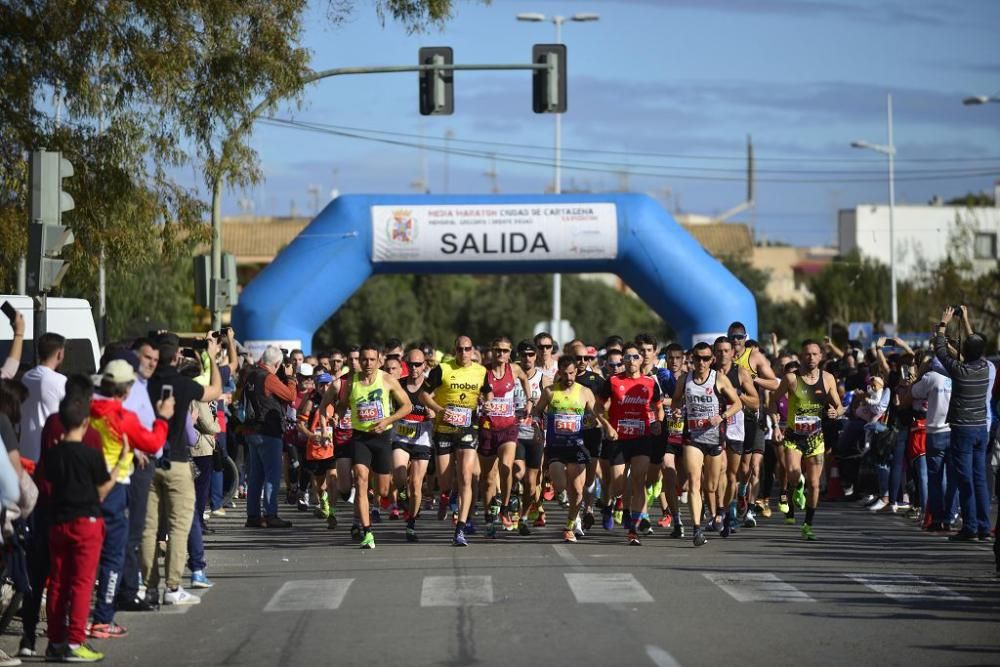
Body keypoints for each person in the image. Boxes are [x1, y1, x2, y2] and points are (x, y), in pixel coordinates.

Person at [87, 358, 173, 639]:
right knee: (113, 556)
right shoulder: (123, 418)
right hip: (113, 489)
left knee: (85, 556)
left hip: (82, 488)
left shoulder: (87, 409)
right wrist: (162, 418)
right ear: (125, 391)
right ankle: (102, 618)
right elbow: (154, 443)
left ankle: (71, 618)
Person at [43, 376, 120, 663]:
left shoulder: (54, 455)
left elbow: (48, 479)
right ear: (85, 421)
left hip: (58, 520)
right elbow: (101, 488)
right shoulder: (90, 452)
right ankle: (75, 641)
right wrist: (117, 469)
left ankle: (55, 640)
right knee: (82, 583)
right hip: (86, 521)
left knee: (59, 583)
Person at [143, 333, 222, 606]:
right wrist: (211, 357)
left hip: (147, 460)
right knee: (180, 525)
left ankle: (150, 586)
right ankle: (173, 587)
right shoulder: (183, 385)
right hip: (176, 460)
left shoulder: (143, 385)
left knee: (150, 528)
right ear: (177, 356)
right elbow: (215, 390)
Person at [332, 342, 411, 549]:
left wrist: (387, 421)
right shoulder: (352, 381)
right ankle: (367, 532)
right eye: (363, 359)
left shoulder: (387, 380)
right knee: (360, 480)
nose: (367, 363)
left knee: (383, 490)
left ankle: (380, 499)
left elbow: (407, 406)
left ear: (379, 360)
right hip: (360, 438)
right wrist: (336, 415)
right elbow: (343, 404)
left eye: (371, 360)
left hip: (382, 438)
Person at [420, 336, 489, 547]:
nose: (464, 353)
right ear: (454, 350)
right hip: (443, 430)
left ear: (472, 350)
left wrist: (486, 403)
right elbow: (424, 394)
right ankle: (444, 495)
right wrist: (440, 410)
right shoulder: (442, 369)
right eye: (460, 349)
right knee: (445, 482)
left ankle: (461, 527)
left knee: (466, 478)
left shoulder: (480, 371)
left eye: (468, 349)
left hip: (467, 429)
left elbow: (487, 393)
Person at [671, 342, 742, 547]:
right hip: (692, 437)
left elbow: (737, 403)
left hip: (714, 439)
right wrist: (677, 410)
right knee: (694, 481)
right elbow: (676, 400)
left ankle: (720, 511)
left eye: (705, 358)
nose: (701, 362)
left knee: (711, 485)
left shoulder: (719, 379)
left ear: (712, 360)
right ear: (691, 359)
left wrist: (722, 416)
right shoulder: (685, 380)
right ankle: (696, 529)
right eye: (697, 358)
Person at [772, 340, 843, 541]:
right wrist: (774, 417)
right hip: (794, 437)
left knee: (814, 484)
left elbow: (839, 406)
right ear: (801, 357)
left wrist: (834, 412)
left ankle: (808, 524)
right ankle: (797, 485)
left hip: (815, 438)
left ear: (820, 356)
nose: (811, 358)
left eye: (814, 354)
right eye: (807, 354)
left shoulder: (828, 379)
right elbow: (774, 400)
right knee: (793, 474)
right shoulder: (791, 379)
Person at [532, 355, 606, 542]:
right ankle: (561, 496)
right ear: (559, 373)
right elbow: (537, 411)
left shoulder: (584, 392)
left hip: (576, 446)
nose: (569, 377)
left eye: (572, 373)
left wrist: (604, 425)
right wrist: (537, 428)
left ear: (575, 372)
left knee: (578, 491)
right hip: (556, 447)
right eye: (565, 373)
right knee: (560, 485)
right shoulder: (550, 391)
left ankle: (570, 526)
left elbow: (595, 413)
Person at [934, 307, 992, 542]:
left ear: (964, 351)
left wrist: (943, 323)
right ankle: (983, 525)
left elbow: (939, 350)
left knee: (965, 477)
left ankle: (969, 526)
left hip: (963, 431)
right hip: (981, 429)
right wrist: (966, 320)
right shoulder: (986, 368)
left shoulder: (960, 371)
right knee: (979, 478)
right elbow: (975, 344)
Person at [114, 338, 164, 612]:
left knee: (135, 529)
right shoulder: (129, 385)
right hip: (134, 464)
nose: (151, 364)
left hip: (143, 462)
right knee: (133, 530)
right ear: (135, 356)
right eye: (147, 358)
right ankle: (128, 591)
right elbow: (120, 419)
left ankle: (128, 588)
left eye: (155, 360)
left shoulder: (142, 385)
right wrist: (134, 447)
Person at [603, 342, 664, 546]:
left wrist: (656, 423)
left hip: (641, 438)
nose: (631, 361)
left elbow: (658, 406)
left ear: (641, 360)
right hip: (618, 439)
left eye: (635, 357)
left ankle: (633, 529)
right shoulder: (612, 381)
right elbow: (596, 406)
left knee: (639, 480)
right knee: (619, 485)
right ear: (623, 360)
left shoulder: (649, 382)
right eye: (627, 358)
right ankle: (622, 505)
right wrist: (606, 425)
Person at [478, 337, 533, 537]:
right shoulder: (483, 372)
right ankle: (488, 516)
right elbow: (475, 392)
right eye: (497, 350)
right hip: (486, 428)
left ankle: (506, 505)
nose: (501, 354)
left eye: (504, 351)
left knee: (506, 467)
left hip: (508, 428)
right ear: (492, 351)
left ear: (510, 353)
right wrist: (481, 401)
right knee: (487, 478)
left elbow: (526, 380)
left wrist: (529, 400)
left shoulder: (515, 370)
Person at [239, 345, 297, 529]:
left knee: (256, 476)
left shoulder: (251, 374)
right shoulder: (268, 378)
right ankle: (271, 514)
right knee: (272, 475)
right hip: (268, 432)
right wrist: (290, 377)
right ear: (278, 363)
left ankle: (253, 515)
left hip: (251, 431)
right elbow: (290, 396)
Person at [391, 348, 434, 542]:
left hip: (422, 439)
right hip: (401, 437)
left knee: (416, 485)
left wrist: (433, 414)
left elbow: (439, 410)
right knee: (400, 476)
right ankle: (401, 493)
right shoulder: (398, 385)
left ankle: (411, 523)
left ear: (424, 365)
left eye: (418, 364)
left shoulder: (430, 386)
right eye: (411, 364)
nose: (415, 368)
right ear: (405, 365)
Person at [512, 339, 549, 534]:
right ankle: (511, 497)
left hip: (535, 434)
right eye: (524, 354)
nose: (527, 358)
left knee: (531, 483)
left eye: (531, 354)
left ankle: (524, 517)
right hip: (513, 432)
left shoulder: (543, 379)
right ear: (519, 355)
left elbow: (553, 403)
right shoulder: (511, 375)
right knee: (517, 471)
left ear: (536, 356)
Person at [19, 333, 67, 468]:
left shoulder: (25, 378)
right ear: (59, 354)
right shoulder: (61, 381)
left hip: (26, 451)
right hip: (48, 454)